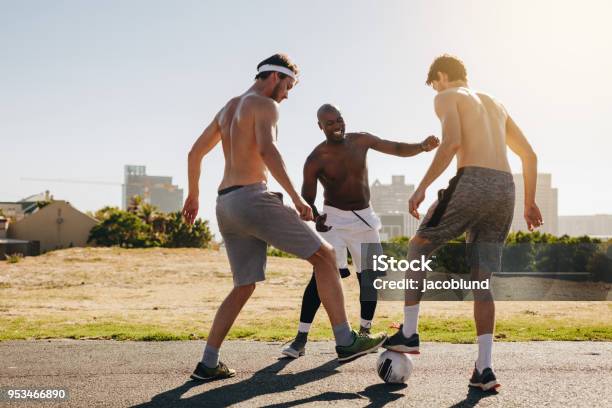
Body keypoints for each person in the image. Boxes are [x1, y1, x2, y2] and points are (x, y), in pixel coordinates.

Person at [182, 54, 387, 381]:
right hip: (252, 198)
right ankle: (346, 340)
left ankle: (208, 362)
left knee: (243, 285)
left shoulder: (229, 107)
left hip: (225, 205)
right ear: (275, 77)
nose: (287, 95)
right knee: (326, 255)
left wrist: (193, 195)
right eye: (288, 86)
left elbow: (195, 152)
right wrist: (294, 197)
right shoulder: (264, 105)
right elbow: (267, 150)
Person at [383, 54, 543, 391]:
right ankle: (484, 370)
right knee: (482, 279)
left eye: (434, 83)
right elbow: (529, 155)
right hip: (505, 190)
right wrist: (529, 203)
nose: (435, 90)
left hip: (472, 181)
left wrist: (423, 186)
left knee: (418, 246)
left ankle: (409, 331)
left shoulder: (446, 96)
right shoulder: (496, 103)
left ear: (441, 76)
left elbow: (452, 141)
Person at [282, 103, 439, 358]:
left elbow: (395, 147)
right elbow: (307, 195)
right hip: (334, 220)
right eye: (330, 123)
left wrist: (421, 147)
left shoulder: (361, 140)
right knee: (322, 275)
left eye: (339, 120)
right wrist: (315, 214)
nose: (337, 126)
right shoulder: (315, 159)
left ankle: (364, 334)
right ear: (320, 126)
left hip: (365, 219)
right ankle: (300, 338)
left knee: (370, 277)